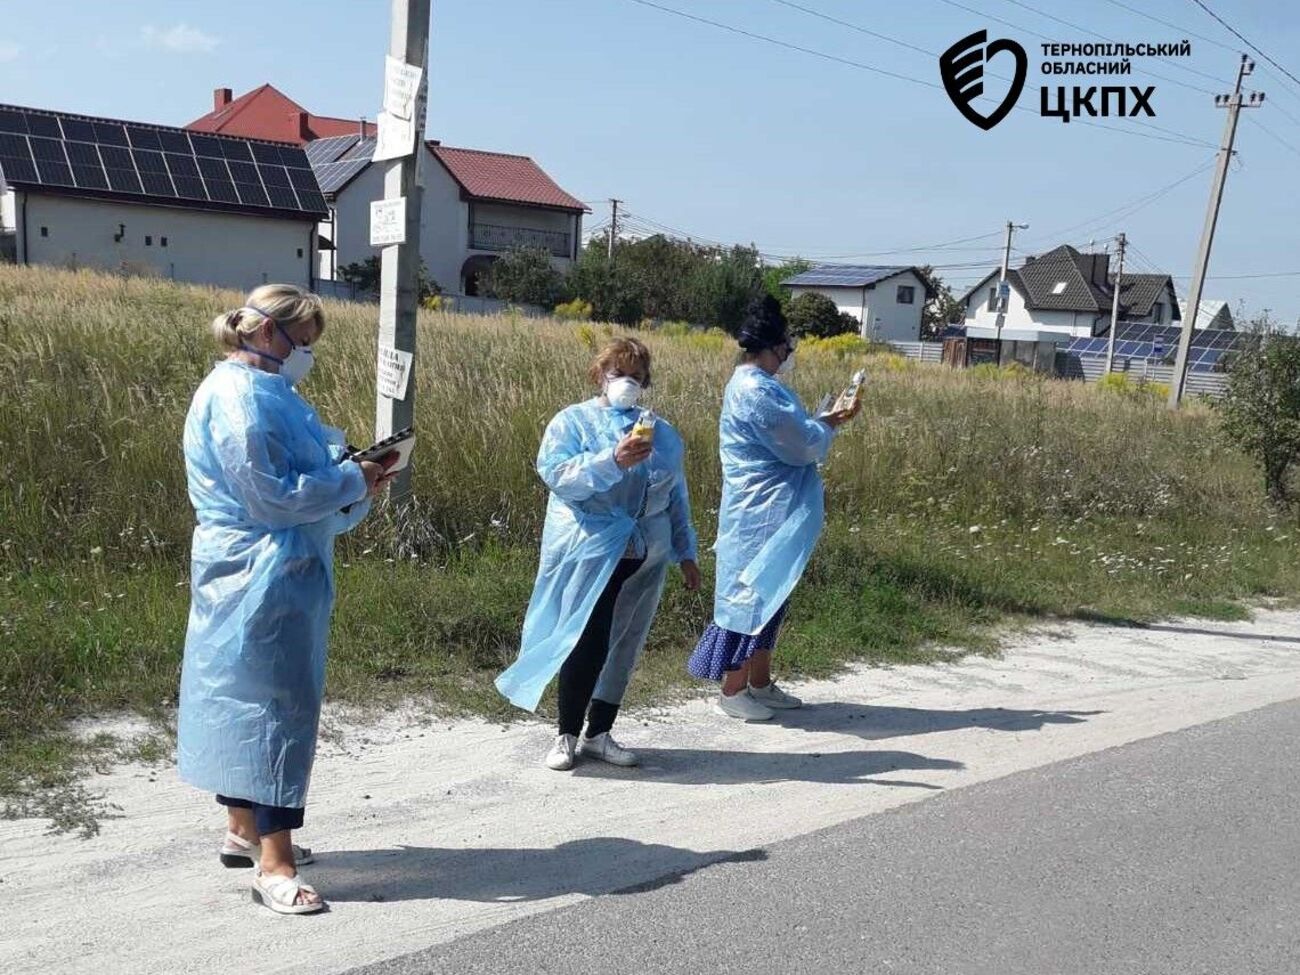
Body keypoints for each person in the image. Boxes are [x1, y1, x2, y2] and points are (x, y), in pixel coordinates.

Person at [177, 284, 393, 915]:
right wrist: (354, 477)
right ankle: (276, 865)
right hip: (263, 575)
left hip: (257, 569)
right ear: (269, 333)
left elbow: (305, 489)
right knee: (277, 711)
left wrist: (358, 481)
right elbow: (274, 498)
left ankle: (243, 830)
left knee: (239, 699)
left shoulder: (265, 392)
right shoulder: (242, 398)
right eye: (305, 342)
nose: (307, 354)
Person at [497, 337, 700, 770]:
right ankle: (566, 733)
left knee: (625, 644)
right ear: (599, 375)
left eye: (637, 377)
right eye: (619, 374)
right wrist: (613, 459)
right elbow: (558, 476)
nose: (628, 383)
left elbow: (676, 496)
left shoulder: (662, 434)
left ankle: (600, 733)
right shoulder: (572, 423)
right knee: (586, 639)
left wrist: (687, 552)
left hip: (644, 553)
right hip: (590, 550)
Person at [687, 294, 859, 721]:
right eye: (788, 346)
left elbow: (795, 433)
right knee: (749, 596)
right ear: (773, 346)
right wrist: (832, 421)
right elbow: (799, 444)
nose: (790, 355)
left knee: (774, 595)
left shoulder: (763, 386)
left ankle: (760, 682)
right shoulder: (754, 389)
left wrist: (819, 423)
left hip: (775, 508)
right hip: (758, 511)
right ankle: (732, 688)